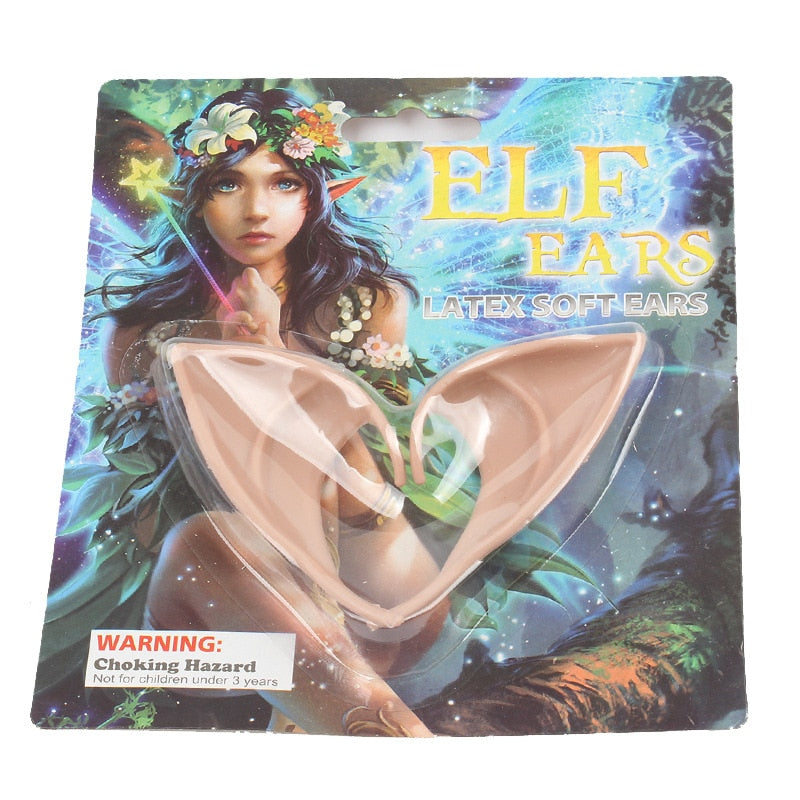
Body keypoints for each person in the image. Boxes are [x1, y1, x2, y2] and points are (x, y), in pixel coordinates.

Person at [95, 88, 446, 735]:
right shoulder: (141, 332)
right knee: (208, 538)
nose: (256, 209)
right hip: (212, 622)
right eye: (228, 183)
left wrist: (275, 363)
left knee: (324, 496)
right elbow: (140, 508)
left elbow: (370, 487)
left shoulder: (366, 305)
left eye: (284, 183)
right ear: (194, 197)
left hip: (376, 593)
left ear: (316, 195)